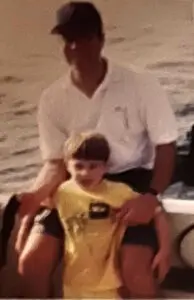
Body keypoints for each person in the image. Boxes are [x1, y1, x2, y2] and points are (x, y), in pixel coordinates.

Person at [16, 1, 178, 298]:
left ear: (101, 39)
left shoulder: (141, 85)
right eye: (69, 40)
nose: (76, 47)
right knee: (30, 263)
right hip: (75, 184)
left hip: (132, 183)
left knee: (134, 270)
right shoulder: (52, 98)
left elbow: (166, 146)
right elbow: (54, 164)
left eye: (84, 38)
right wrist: (36, 196)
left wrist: (151, 198)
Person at [53, 132, 171, 298]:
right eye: (79, 166)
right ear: (67, 166)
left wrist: (164, 251)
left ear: (105, 167)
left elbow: (157, 212)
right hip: (73, 281)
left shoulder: (119, 193)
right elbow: (38, 211)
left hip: (109, 282)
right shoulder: (61, 192)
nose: (85, 173)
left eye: (93, 166)